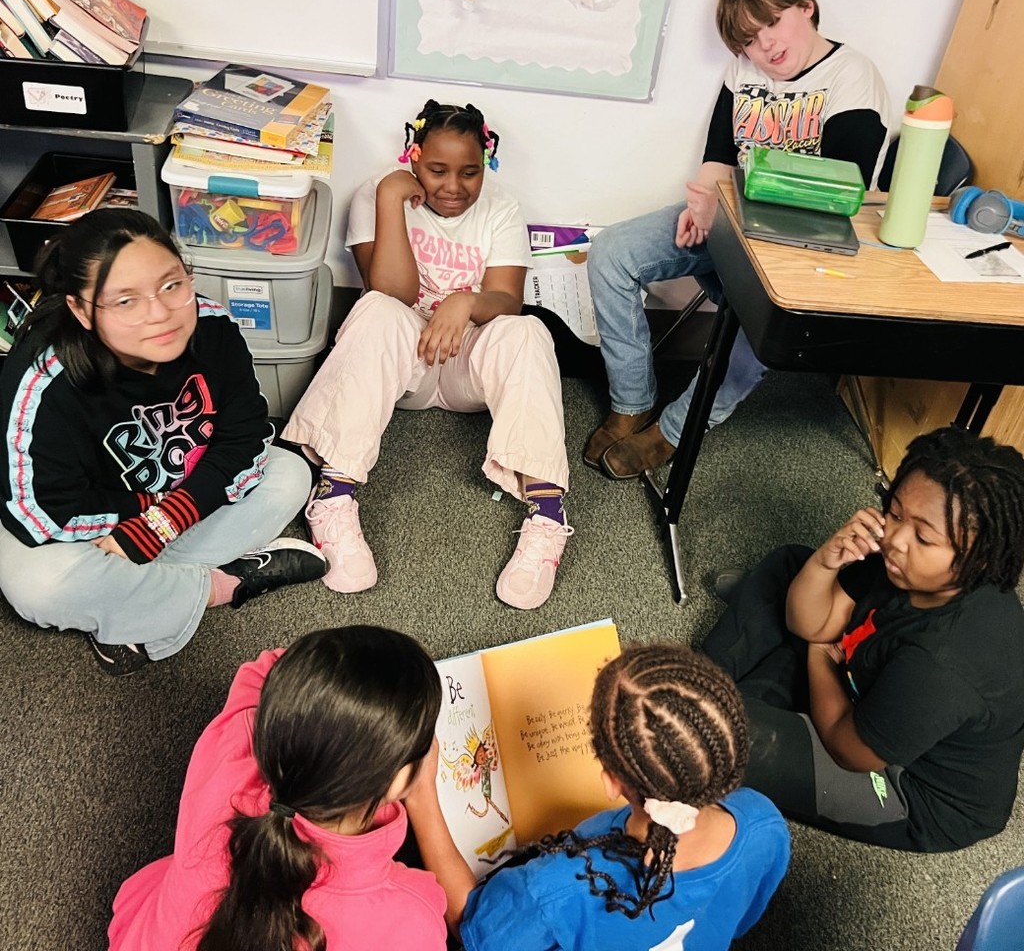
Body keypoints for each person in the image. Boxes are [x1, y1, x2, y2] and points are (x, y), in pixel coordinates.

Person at [585, 0, 891, 478]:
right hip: (730, 223)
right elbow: (719, 154)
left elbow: (844, 188)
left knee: (764, 316)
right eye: (748, 40)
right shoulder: (742, 72)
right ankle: (631, 400)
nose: (764, 47)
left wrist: (732, 199)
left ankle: (677, 429)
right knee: (611, 252)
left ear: (806, 8)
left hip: (798, 248)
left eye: (771, 23)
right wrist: (702, 202)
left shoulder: (852, 74)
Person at [0, 209, 326, 676]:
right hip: (93, 525)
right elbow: (44, 508)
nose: (160, 314)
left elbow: (246, 435)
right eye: (125, 301)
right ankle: (225, 585)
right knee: (35, 584)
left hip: (178, 505)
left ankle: (133, 604)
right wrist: (141, 522)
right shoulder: (44, 378)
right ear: (80, 309)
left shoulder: (212, 326)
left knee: (290, 473)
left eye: (172, 285)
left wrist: (164, 522)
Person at [282, 99, 573, 610]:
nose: (453, 187)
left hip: (466, 371)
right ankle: (333, 498)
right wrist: (392, 199)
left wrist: (464, 302)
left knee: (527, 331)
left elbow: (506, 300)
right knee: (375, 310)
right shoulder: (378, 192)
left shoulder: (501, 207)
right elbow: (389, 290)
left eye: (469, 172)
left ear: (486, 167)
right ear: (413, 157)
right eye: (437, 170)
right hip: (403, 368)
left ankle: (548, 517)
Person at [702, 426, 1024, 852]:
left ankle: (719, 696)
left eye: (924, 537)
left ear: (979, 557)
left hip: (905, 784)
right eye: (893, 512)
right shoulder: (909, 567)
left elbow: (849, 749)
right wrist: (826, 559)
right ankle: (711, 684)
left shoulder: (945, 663)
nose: (894, 540)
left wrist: (820, 659)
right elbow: (811, 624)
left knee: (717, 733)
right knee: (794, 564)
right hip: (862, 677)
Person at [404, 642, 791, 950]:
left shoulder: (553, 888)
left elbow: (469, 925)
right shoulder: (763, 820)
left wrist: (422, 795)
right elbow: (742, 920)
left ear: (611, 781)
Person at [107, 625, 448, 951]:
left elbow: (267, 667)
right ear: (396, 779)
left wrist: (337, 691)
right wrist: (422, 794)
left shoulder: (230, 755)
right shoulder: (409, 913)